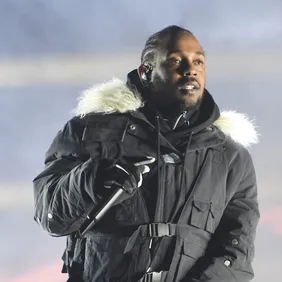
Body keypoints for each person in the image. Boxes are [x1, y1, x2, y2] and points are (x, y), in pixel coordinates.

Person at [33, 25, 260, 282]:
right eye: (175, 61)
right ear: (146, 71)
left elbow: (236, 252)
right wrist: (93, 180)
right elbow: (49, 215)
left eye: (198, 61)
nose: (191, 69)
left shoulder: (231, 158)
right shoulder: (89, 132)